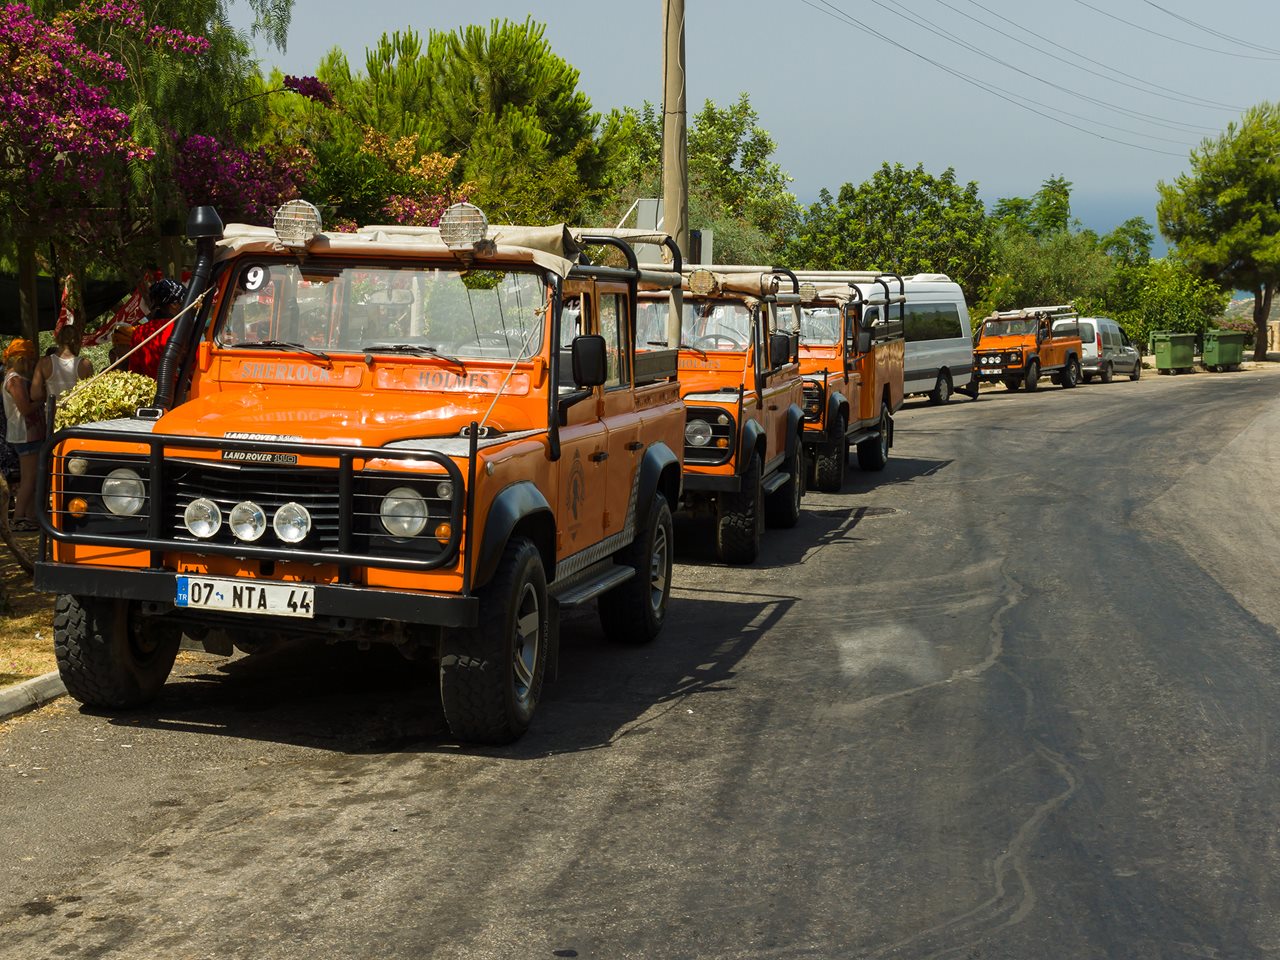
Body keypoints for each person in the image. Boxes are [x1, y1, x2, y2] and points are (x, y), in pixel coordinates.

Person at [3, 338, 44, 531]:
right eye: (28, 359)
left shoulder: (12, 377)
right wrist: (43, 402)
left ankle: (31, 518)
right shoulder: (15, 380)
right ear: (20, 359)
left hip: (25, 433)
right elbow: (25, 408)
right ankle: (18, 519)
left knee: (30, 478)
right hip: (25, 433)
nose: (31, 364)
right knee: (30, 478)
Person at [125, 278, 186, 379]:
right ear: (174, 305)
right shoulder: (181, 328)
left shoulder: (139, 332)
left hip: (150, 392)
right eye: (184, 300)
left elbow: (135, 372)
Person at [32, 324, 93, 406]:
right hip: (78, 414)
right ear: (77, 341)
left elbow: (35, 395)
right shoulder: (85, 365)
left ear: (58, 340)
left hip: (53, 415)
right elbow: (91, 395)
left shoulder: (44, 362)